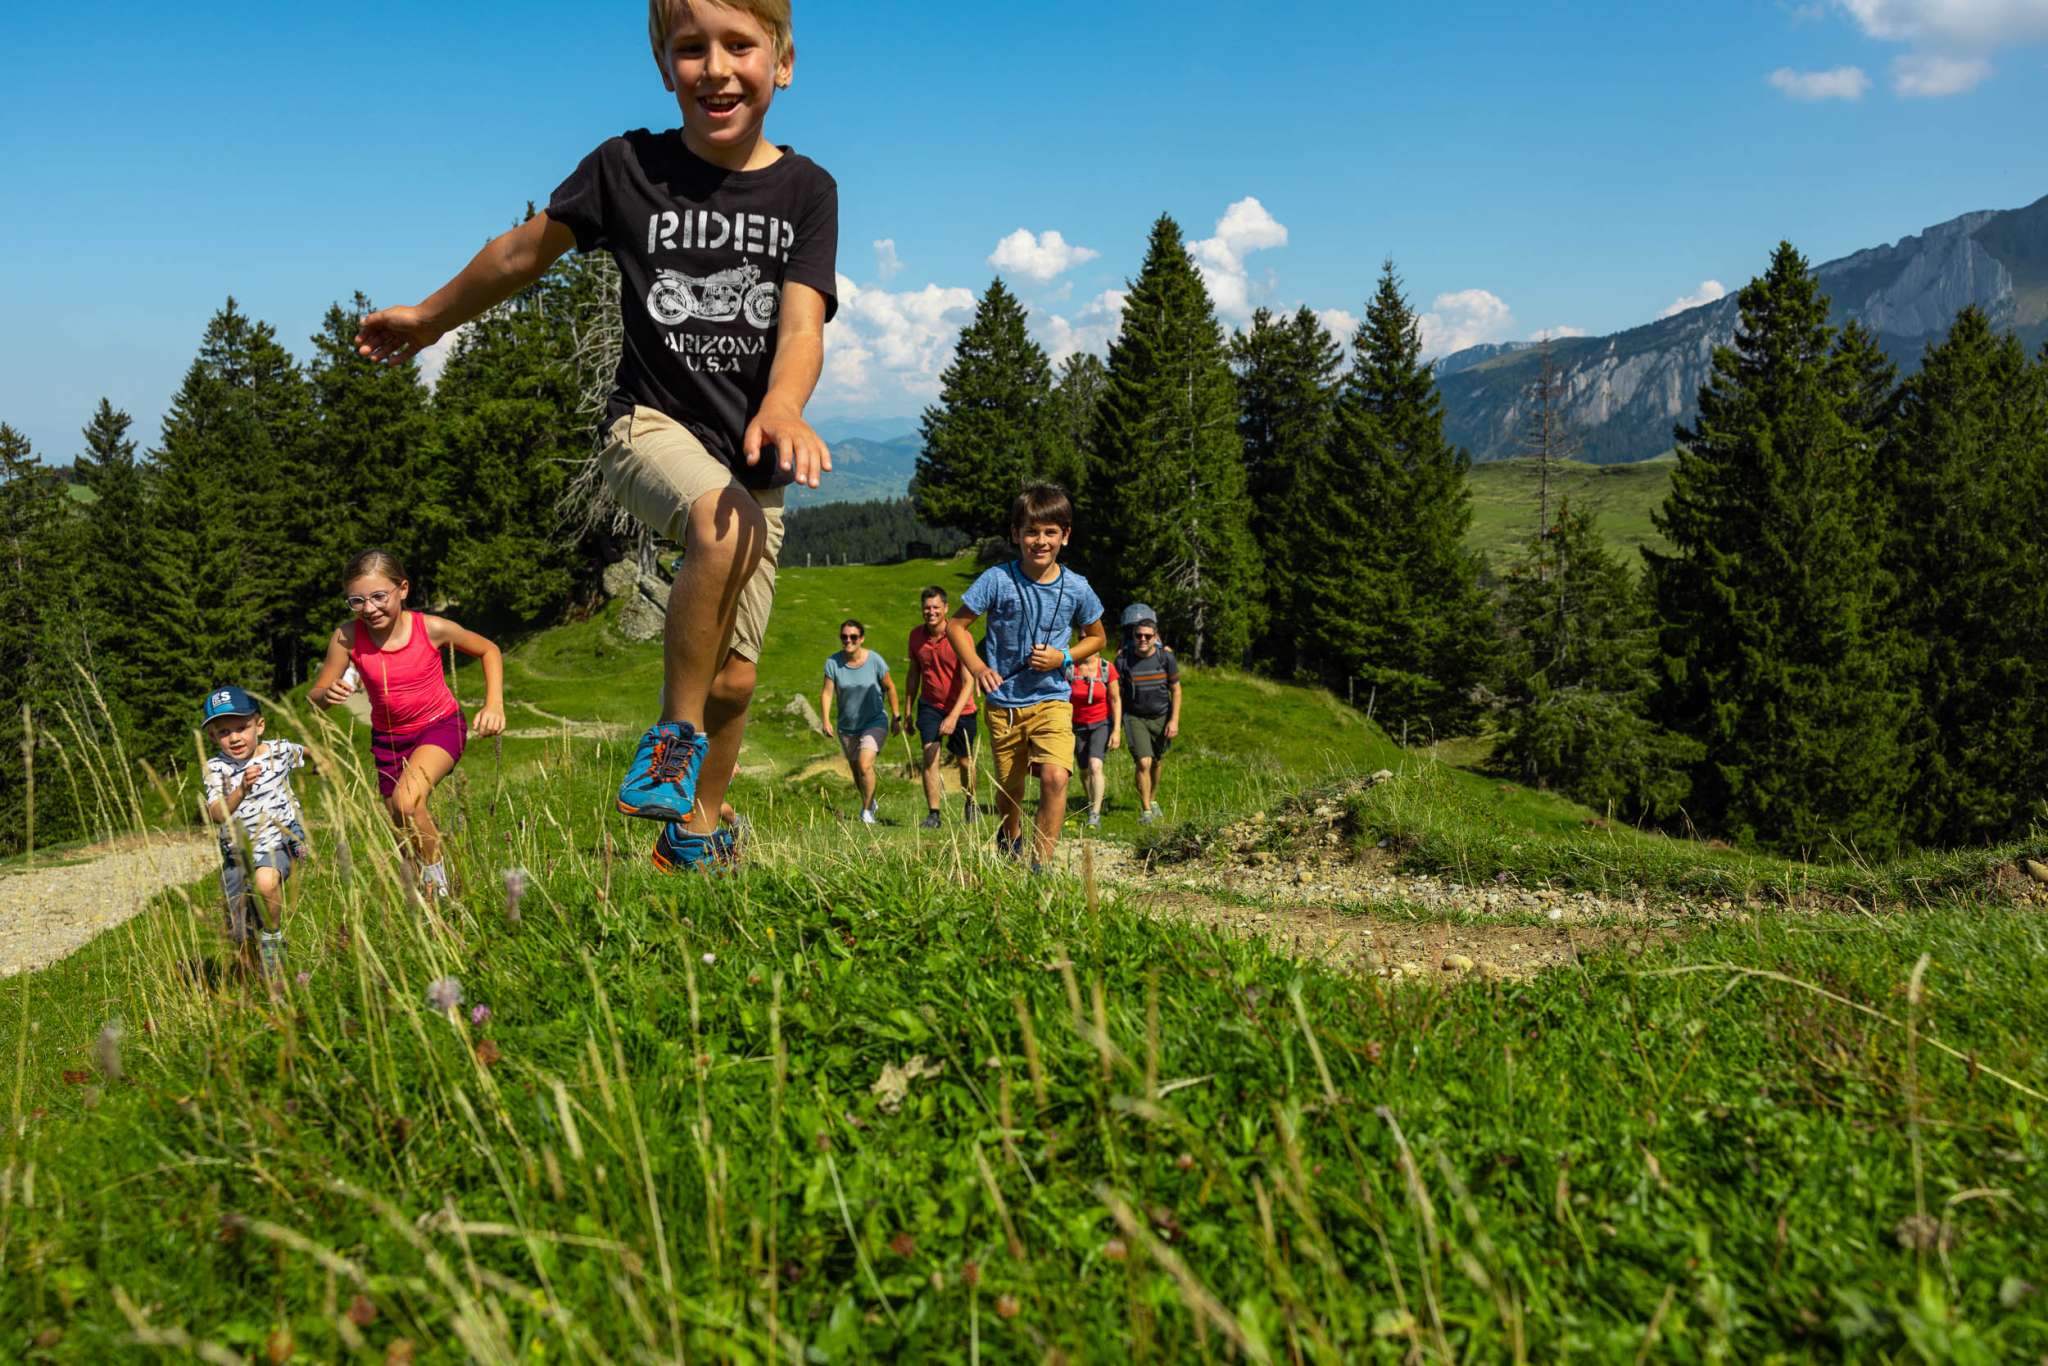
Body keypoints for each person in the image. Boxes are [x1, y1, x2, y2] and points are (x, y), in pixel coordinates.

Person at [353, 0, 837, 875]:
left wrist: (785, 404)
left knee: (735, 675)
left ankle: (696, 833)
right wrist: (430, 318)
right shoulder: (627, 168)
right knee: (713, 518)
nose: (716, 68)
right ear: (664, 66)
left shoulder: (807, 191)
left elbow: (802, 325)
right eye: (691, 48)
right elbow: (520, 254)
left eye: (740, 44)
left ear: (783, 62)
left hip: (756, 458)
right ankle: (672, 739)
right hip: (646, 426)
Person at [310, 550, 505, 898]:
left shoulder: (430, 628)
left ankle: (443, 891)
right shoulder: (347, 637)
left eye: (378, 596)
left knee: (406, 802)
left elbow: (488, 649)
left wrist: (494, 705)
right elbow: (316, 695)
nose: (369, 608)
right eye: (357, 601)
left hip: (439, 726)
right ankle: (427, 896)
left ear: (402, 589)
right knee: (403, 833)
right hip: (388, 741)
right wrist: (328, 694)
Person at [948, 484, 1106, 873]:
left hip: (1053, 698)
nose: (1041, 541)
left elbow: (1097, 637)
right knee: (1010, 790)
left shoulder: (1077, 587)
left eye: (1050, 532)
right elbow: (956, 626)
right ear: (1016, 534)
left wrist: (1062, 657)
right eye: (1032, 532)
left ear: (1065, 536)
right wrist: (978, 668)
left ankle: (1040, 866)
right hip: (1004, 704)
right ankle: (1010, 834)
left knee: (1055, 778)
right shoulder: (996, 580)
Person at [200, 686, 310, 982]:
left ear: (259, 725)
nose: (235, 738)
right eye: (224, 732)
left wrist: (322, 763)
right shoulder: (215, 768)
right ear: (213, 737)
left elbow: (303, 752)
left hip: (279, 839)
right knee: (239, 928)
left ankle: (273, 941)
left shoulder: (278, 751)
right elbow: (217, 813)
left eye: (241, 727)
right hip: (237, 854)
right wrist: (241, 790)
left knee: (265, 882)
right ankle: (255, 976)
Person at [903, 585, 979, 829]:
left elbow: (969, 682)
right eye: (927, 608)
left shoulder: (960, 636)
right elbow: (913, 674)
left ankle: (971, 802)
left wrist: (953, 717)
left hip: (962, 708)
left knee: (965, 761)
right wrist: (907, 710)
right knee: (930, 755)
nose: (931, 612)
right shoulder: (916, 636)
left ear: (946, 608)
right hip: (930, 705)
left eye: (936, 607)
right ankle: (934, 814)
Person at [820, 619, 900, 825]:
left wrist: (896, 716)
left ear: (861, 638)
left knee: (865, 765)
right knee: (857, 771)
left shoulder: (875, 661)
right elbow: (827, 693)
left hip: (874, 721)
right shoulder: (833, 663)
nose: (848, 640)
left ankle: (866, 811)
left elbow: (890, 687)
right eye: (844, 637)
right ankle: (869, 801)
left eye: (853, 637)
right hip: (847, 726)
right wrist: (825, 720)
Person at [1117, 604, 1181, 824]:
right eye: (1138, 635)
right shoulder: (1123, 660)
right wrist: (1116, 724)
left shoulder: (1166, 658)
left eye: (1147, 636)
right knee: (1143, 762)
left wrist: (1174, 720)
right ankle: (1145, 810)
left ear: (1155, 637)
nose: (1142, 639)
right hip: (1135, 717)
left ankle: (1152, 799)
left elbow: (1176, 690)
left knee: (1156, 761)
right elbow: (1117, 694)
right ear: (1132, 636)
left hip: (1162, 716)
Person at [1068, 650, 1121, 828]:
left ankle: (1095, 814)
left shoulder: (1106, 668)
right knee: (1084, 770)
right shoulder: (1071, 668)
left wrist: (1116, 730)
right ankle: (1091, 801)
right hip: (1076, 725)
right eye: (1082, 638)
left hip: (1101, 723)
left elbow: (1115, 699)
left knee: (1095, 765)